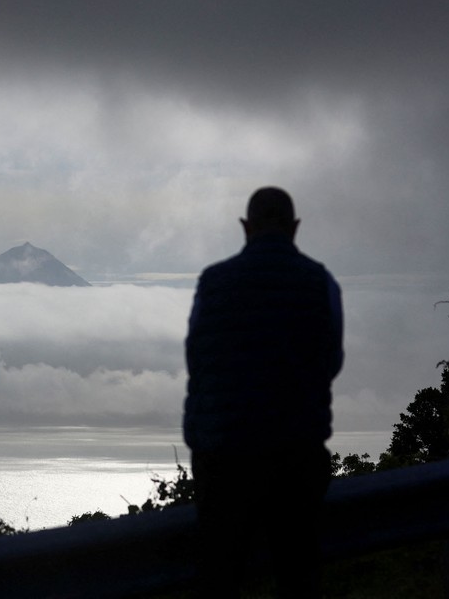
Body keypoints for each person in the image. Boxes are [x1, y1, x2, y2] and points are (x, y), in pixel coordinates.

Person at [183, 187, 343, 598]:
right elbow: (331, 361)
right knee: (297, 580)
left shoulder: (213, 282)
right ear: (294, 228)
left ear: (245, 227)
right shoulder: (319, 281)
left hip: (222, 461)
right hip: (296, 458)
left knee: (221, 580)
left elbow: (197, 359)